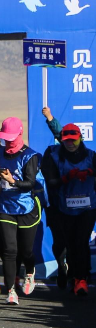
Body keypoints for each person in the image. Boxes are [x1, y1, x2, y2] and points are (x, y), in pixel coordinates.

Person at [0, 117, 41, 305]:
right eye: (5, 138)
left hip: (26, 208)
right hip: (4, 207)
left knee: (26, 251)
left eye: (11, 138)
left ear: (20, 134)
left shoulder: (30, 156)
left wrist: (12, 181)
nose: (8, 142)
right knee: (10, 250)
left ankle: (30, 272)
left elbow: (30, 183)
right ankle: (10, 291)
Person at [41, 123, 95, 297]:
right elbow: (50, 182)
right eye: (66, 140)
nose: (70, 143)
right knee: (68, 243)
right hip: (63, 208)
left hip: (87, 208)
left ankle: (81, 279)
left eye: (74, 140)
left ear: (80, 138)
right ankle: (69, 273)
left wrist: (91, 173)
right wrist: (66, 178)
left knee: (81, 241)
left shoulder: (92, 156)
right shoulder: (53, 156)